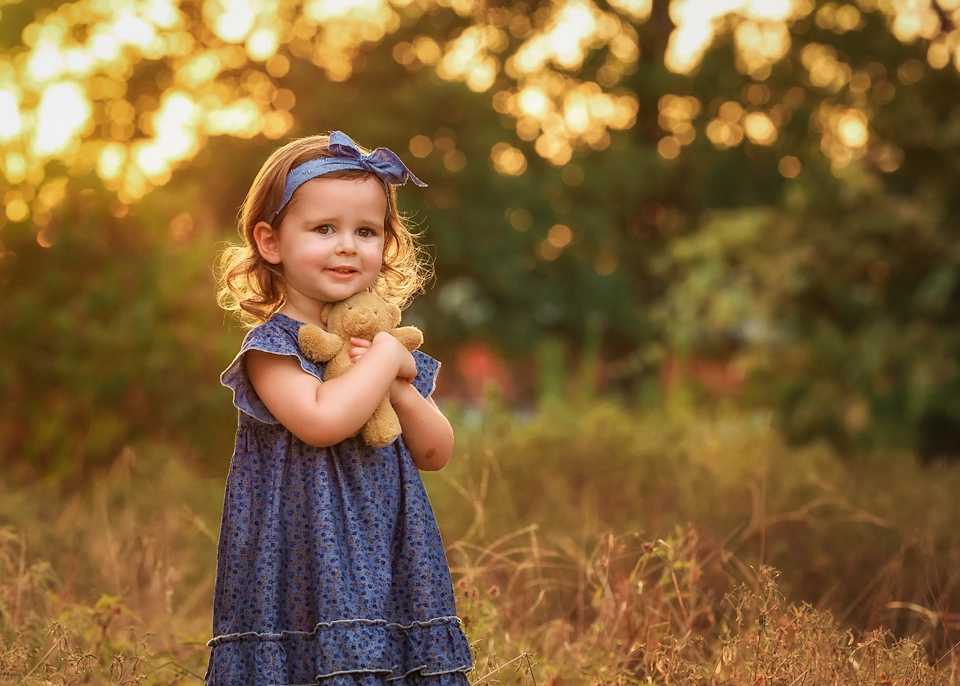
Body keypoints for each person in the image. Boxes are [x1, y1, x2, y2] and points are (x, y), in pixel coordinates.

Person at [208, 131, 472, 686]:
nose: (348, 245)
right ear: (271, 241)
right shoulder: (272, 348)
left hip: (385, 552)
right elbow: (323, 421)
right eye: (324, 228)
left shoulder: (378, 351)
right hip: (303, 563)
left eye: (367, 231)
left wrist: (397, 381)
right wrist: (385, 360)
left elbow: (435, 450)